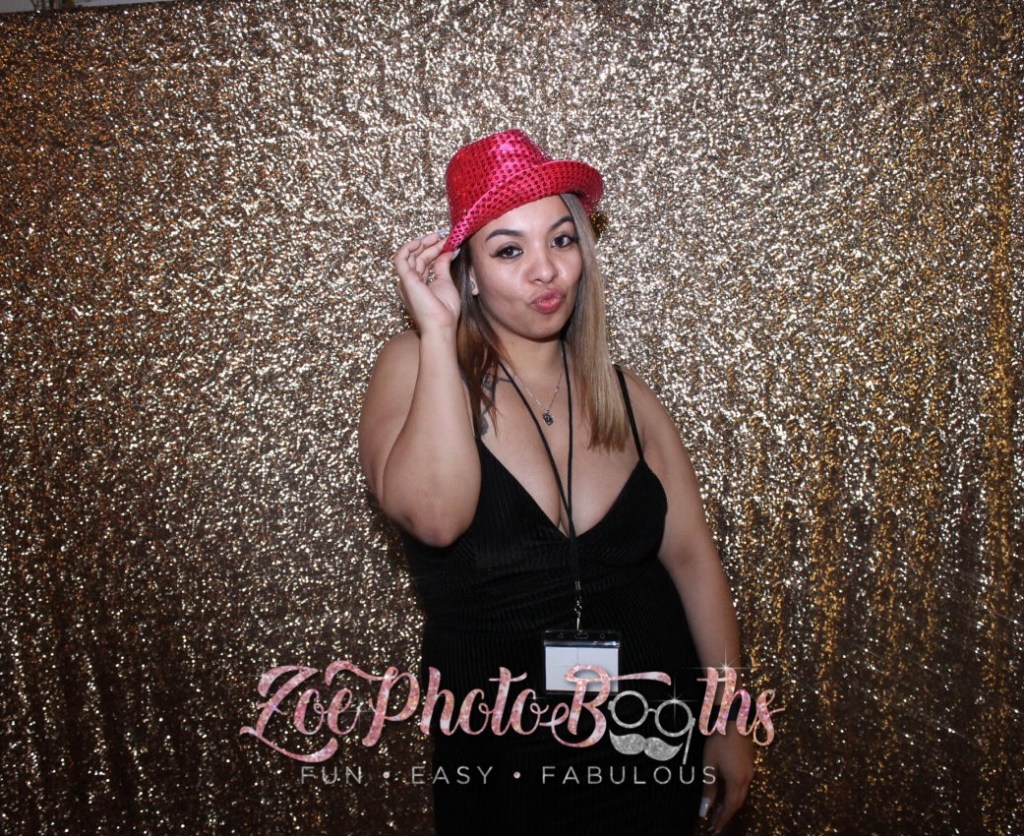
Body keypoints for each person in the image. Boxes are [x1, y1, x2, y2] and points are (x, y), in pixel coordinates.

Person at [359, 129, 753, 835]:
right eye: (509, 250)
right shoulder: (414, 365)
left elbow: (694, 561)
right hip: (498, 751)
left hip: (650, 735)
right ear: (466, 272)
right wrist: (440, 332)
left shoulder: (627, 397)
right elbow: (436, 519)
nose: (546, 270)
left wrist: (727, 718)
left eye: (562, 240)